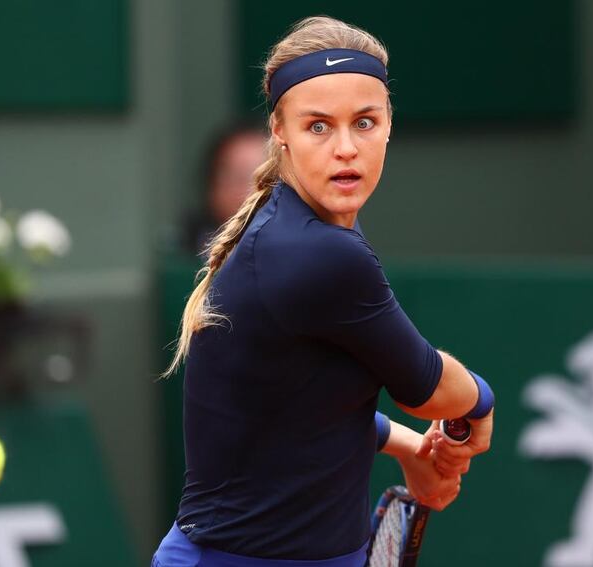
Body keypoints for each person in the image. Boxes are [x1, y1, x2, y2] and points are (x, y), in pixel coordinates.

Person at [154, 15, 494, 567]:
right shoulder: (320, 252)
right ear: (279, 131)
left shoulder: (297, 223)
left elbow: (295, 403)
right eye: (318, 126)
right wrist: (480, 402)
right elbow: (429, 389)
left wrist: (408, 446)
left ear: (389, 125)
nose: (345, 148)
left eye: (364, 122)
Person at [181, 120, 268, 255]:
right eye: (240, 178)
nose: (254, 193)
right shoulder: (185, 257)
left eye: (269, 179)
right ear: (212, 187)